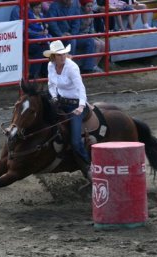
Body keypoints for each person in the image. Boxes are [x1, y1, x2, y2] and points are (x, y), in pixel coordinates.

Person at [43, 40, 91, 177]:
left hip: (76, 104)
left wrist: (81, 106)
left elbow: (80, 87)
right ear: (53, 57)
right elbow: (51, 84)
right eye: (59, 55)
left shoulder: (72, 67)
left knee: (76, 141)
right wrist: (54, 97)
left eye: (64, 54)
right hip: (61, 101)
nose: (63, 56)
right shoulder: (50, 66)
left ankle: (88, 167)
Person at [47, 0, 100, 74]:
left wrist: (72, 34)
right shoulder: (54, 6)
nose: (71, 1)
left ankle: (88, 68)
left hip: (71, 35)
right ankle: (69, 68)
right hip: (58, 37)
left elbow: (77, 21)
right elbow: (52, 23)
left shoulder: (75, 4)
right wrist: (60, 35)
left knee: (89, 41)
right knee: (72, 41)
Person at [80, 0, 105, 68]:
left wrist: (93, 35)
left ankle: (95, 65)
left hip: (88, 34)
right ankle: (91, 66)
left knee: (103, 44)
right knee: (97, 44)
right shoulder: (79, 13)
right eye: (88, 6)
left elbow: (91, 27)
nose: (90, 8)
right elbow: (77, 28)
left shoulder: (91, 13)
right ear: (83, 6)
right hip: (80, 34)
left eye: (91, 6)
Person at [28, 2, 51, 78]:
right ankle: (38, 74)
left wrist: (46, 31)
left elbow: (45, 27)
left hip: (42, 40)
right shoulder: (28, 16)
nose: (38, 10)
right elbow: (27, 31)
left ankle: (40, 74)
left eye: (40, 8)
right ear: (32, 8)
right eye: (36, 8)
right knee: (43, 49)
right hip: (31, 41)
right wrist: (39, 33)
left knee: (45, 48)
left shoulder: (41, 16)